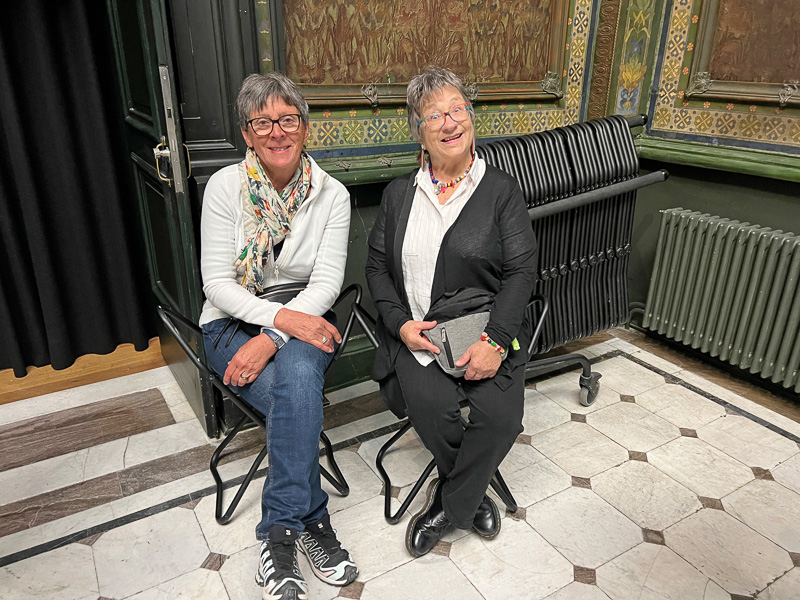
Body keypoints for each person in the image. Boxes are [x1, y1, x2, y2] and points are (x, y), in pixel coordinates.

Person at [365, 66, 538, 557]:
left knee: (501, 419)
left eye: (457, 109)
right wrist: (400, 324)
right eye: (435, 115)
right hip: (418, 335)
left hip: (484, 331)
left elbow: (521, 272)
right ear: (419, 132)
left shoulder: (501, 191)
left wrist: (496, 341)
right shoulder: (399, 194)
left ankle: (448, 505)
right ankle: (473, 498)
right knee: (433, 409)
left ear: (470, 116)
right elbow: (376, 268)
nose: (449, 122)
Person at [200, 73, 358, 600]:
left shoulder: (332, 195)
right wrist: (280, 322)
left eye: (288, 119)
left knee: (295, 386)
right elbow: (217, 284)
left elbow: (326, 284)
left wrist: (272, 335)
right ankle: (313, 523)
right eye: (263, 122)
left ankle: (277, 534)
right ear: (247, 133)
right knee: (298, 401)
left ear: (304, 127)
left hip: (306, 315)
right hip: (230, 321)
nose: (277, 132)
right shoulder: (224, 187)